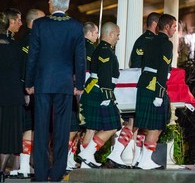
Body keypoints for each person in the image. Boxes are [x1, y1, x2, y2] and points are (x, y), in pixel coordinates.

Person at [25, 0, 86, 182]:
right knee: (62, 128)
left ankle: (41, 172)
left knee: (41, 127)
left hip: (43, 82)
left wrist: (29, 82)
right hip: (65, 83)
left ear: (52, 4)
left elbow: (32, 56)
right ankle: (58, 171)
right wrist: (80, 83)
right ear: (66, 5)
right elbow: (80, 58)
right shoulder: (76, 26)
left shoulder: (40, 24)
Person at [107, 12, 161, 168]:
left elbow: (133, 62)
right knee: (142, 123)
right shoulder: (154, 42)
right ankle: (128, 156)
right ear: (155, 24)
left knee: (137, 123)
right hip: (146, 85)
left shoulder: (140, 40)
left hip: (134, 85)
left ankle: (135, 158)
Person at [134, 13, 177, 170]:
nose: (175, 30)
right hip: (154, 87)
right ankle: (145, 160)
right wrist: (160, 94)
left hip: (144, 84)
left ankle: (143, 159)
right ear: (166, 27)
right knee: (155, 125)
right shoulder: (166, 44)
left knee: (154, 124)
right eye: (174, 27)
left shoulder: (150, 41)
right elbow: (163, 70)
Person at [77, 22, 122, 169]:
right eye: (117, 34)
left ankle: (85, 161)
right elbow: (104, 75)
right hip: (100, 92)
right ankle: (87, 154)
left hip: (95, 91)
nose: (118, 38)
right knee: (113, 125)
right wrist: (107, 96)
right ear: (110, 34)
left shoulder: (101, 49)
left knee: (92, 127)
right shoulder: (105, 51)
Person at [8, 9, 45, 179]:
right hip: (29, 91)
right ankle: (23, 165)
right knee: (29, 128)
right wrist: (28, 88)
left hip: (24, 90)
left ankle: (22, 165)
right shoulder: (32, 40)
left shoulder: (26, 39)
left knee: (28, 128)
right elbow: (27, 67)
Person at [66, 21, 99, 171]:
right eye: (96, 33)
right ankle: (69, 158)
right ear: (91, 33)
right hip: (83, 91)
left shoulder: (76, 45)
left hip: (73, 88)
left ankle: (71, 158)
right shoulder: (91, 48)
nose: (97, 36)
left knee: (78, 128)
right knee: (76, 127)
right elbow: (89, 73)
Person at [0, 12, 25, 178]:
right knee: (8, 135)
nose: (20, 24)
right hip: (11, 95)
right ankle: (1, 169)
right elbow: (22, 71)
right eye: (18, 20)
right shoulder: (14, 46)